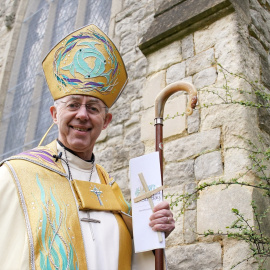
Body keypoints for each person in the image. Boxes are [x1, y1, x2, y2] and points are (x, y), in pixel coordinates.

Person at [0, 24, 175, 270]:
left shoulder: (110, 189)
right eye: (73, 105)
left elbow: (134, 259)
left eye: (93, 108)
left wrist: (154, 233)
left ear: (106, 121)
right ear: (54, 114)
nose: (82, 115)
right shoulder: (15, 176)